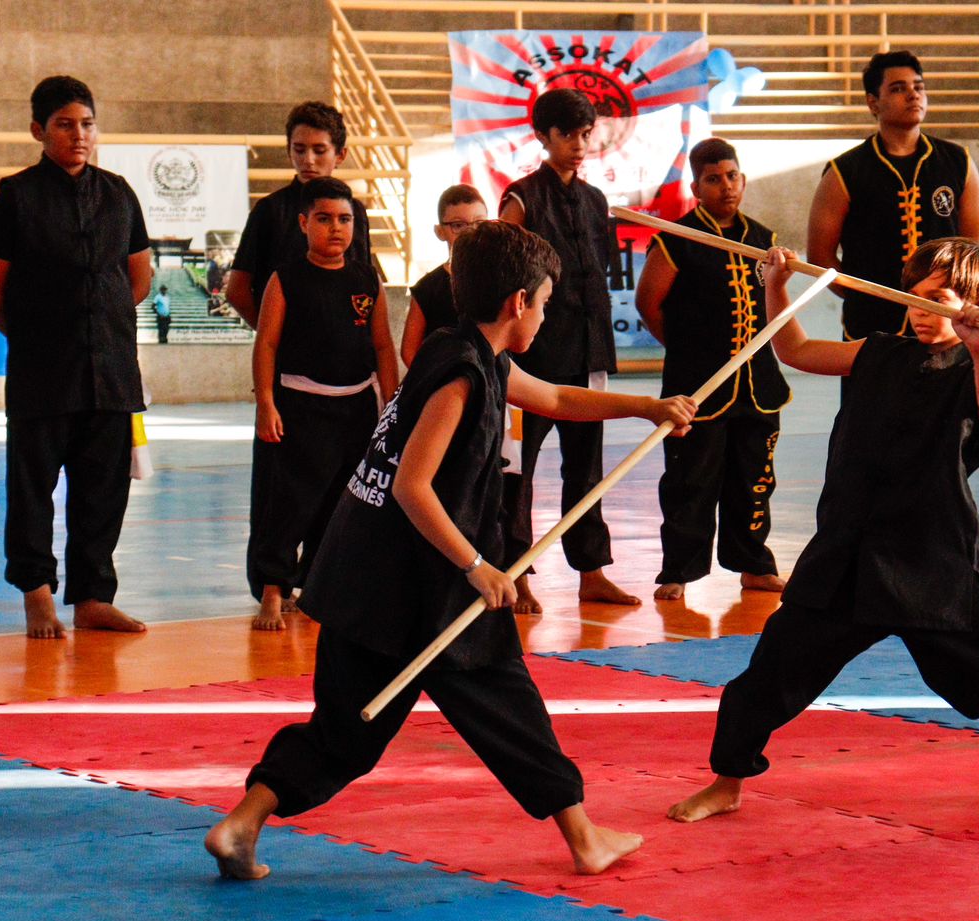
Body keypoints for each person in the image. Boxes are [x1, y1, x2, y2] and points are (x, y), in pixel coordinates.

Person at [204, 221, 697, 880]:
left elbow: (552, 397)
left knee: (344, 731)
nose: (545, 316)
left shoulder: (463, 349)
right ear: (517, 302)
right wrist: (477, 566)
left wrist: (645, 407)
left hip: (365, 576)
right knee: (507, 703)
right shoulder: (460, 378)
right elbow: (411, 485)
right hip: (421, 583)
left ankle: (241, 826)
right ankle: (583, 839)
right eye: (544, 303)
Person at [668, 238, 979, 825]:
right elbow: (797, 350)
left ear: (976, 303)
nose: (923, 308)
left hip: (935, 555)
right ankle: (728, 781)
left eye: (939, 298)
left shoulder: (975, 369)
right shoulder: (877, 352)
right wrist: (775, 285)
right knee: (769, 675)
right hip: (849, 550)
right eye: (917, 296)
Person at [0, 76, 153, 639]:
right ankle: (37, 595)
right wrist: (39, 336)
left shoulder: (120, 193)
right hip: (42, 373)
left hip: (111, 371)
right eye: (65, 124)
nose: (79, 135)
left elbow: (139, 277)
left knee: (104, 489)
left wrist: (99, 325)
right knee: (32, 488)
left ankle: (94, 597)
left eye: (87, 123)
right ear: (38, 131)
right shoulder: (16, 196)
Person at [498, 87, 634, 613]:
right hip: (530, 357)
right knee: (517, 470)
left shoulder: (597, 200)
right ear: (543, 136)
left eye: (584, 134)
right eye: (566, 135)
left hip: (586, 350)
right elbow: (501, 273)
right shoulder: (522, 197)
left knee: (586, 468)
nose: (578, 145)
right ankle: (516, 574)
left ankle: (592, 571)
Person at [635, 137, 789, 601]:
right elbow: (649, 305)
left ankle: (753, 564)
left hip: (758, 384)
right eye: (714, 179)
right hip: (699, 386)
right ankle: (678, 570)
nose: (726, 186)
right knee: (690, 480)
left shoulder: (764, 240)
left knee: (755, 477)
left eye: (733, 176)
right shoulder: (677, 239)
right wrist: (688, 352)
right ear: (696, 186)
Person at [248, 177, 399, 631]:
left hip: (355, 409)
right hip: (298, 407)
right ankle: (274, 591)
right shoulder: (286, 277)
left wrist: (391, 408)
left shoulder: (366, 277)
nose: (336, 228)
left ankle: (316, 585)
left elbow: (384, 348)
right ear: (303, 223)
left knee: (339, 503)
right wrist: (265, 404)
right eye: (324, 218)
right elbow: (266, 345)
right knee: (288, 502)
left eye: (345, 219)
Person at [807, 51, 979, 341]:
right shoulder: (844, 172)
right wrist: (862, 297)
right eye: (898, 88)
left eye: (918, 86)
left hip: (944, 328)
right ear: (873, 102)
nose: (913, 95)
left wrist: (951, 300)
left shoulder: (958, 162)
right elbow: (820, 256)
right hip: (870, 331)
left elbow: (969, 247)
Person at [226, 102, 374, 329]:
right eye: (299, 149)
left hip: (347, 345)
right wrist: (273, 337)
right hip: (288, 350)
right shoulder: (270, 210)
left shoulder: (356, 212)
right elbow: (237, 290)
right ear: (288, 151)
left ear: (341, 154)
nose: (308, 160)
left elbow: (364, 285)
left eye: (319, 150)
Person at [399, 184, 488, 367]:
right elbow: (409, 350)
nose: (470, 231)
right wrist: (434, 380)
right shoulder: (428, 288)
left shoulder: (501, 278)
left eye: (479, 223)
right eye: (458, 225)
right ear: (440, 231)